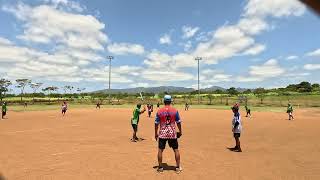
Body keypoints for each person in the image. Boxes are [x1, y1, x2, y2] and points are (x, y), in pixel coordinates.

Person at [155, 95, 182, 173]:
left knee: (160, 150)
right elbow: (178, 122)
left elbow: (156, 123)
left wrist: (155, 133)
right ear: (170, 101)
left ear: (164, 101)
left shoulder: (159, 111)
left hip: (162, 133)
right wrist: (180, 131)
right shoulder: (174, 110)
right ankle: (177, 167)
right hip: (172, 133)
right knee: (176, 150)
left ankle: (160, 167)